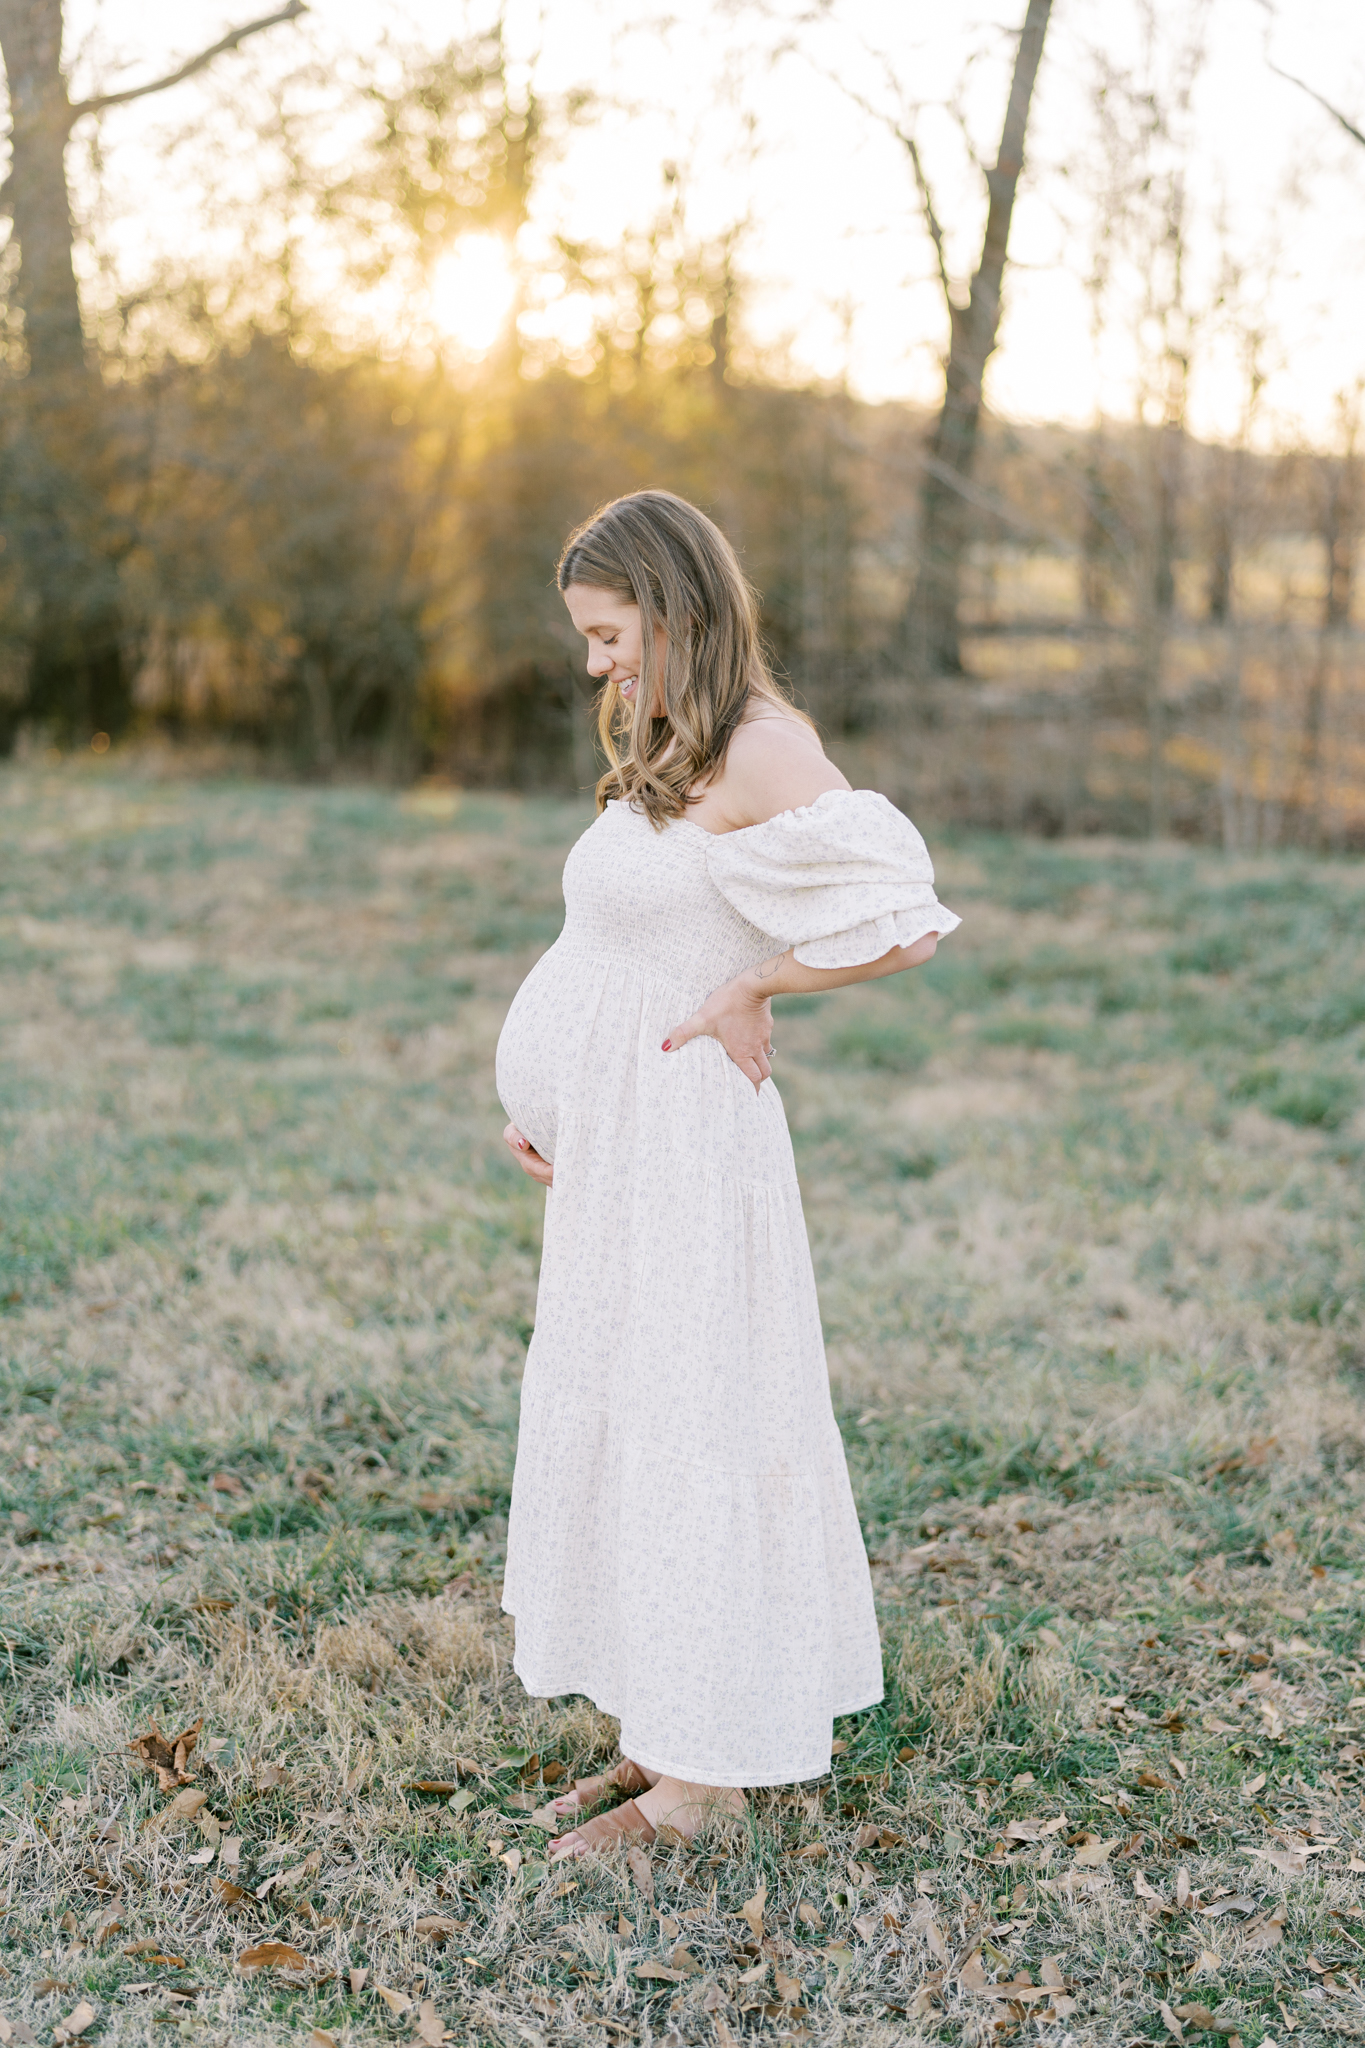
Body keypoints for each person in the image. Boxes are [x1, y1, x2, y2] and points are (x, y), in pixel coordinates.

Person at [495, 489, 959, 1859]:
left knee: (693, 1424)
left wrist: (756, 978)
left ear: (672, 603)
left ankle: (701, 1793)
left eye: (607, 631)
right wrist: (552, 1101)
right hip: (618, 1152)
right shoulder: (676, 742)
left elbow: (901, 912)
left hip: (690, 1145)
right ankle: (661, 1730)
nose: (595, 664)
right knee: (635, 1411)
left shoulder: (762, 746)